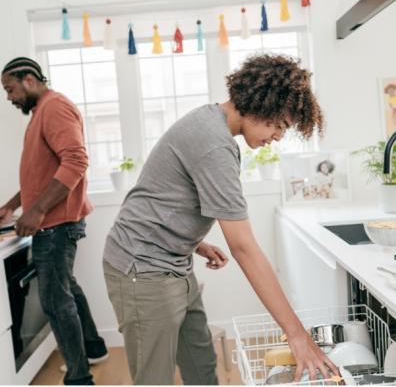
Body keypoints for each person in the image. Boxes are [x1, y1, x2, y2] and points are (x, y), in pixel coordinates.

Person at [103, 54, 338, 385]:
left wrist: (193, 242)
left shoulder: (211, 124)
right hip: (141, 269)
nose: (279, 136)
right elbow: (243, 247)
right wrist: (296, 334)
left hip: (175, 262)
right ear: (262, 105)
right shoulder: (214, 144)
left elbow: (161, 192)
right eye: (280, 125)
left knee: (201, 365)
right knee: (153, 378)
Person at [0, 57, 108, 385]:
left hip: (56, 224)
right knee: (66, 289)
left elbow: (76, 161)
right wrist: (13, 205)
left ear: (29, 79)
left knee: (54, 301)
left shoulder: (55, 108)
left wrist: (35, 212)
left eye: (10, 89)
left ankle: (79, 379)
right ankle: (93, 346)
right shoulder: (40, 112)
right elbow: (42, 174)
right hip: (55, 221)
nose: (8, 97)